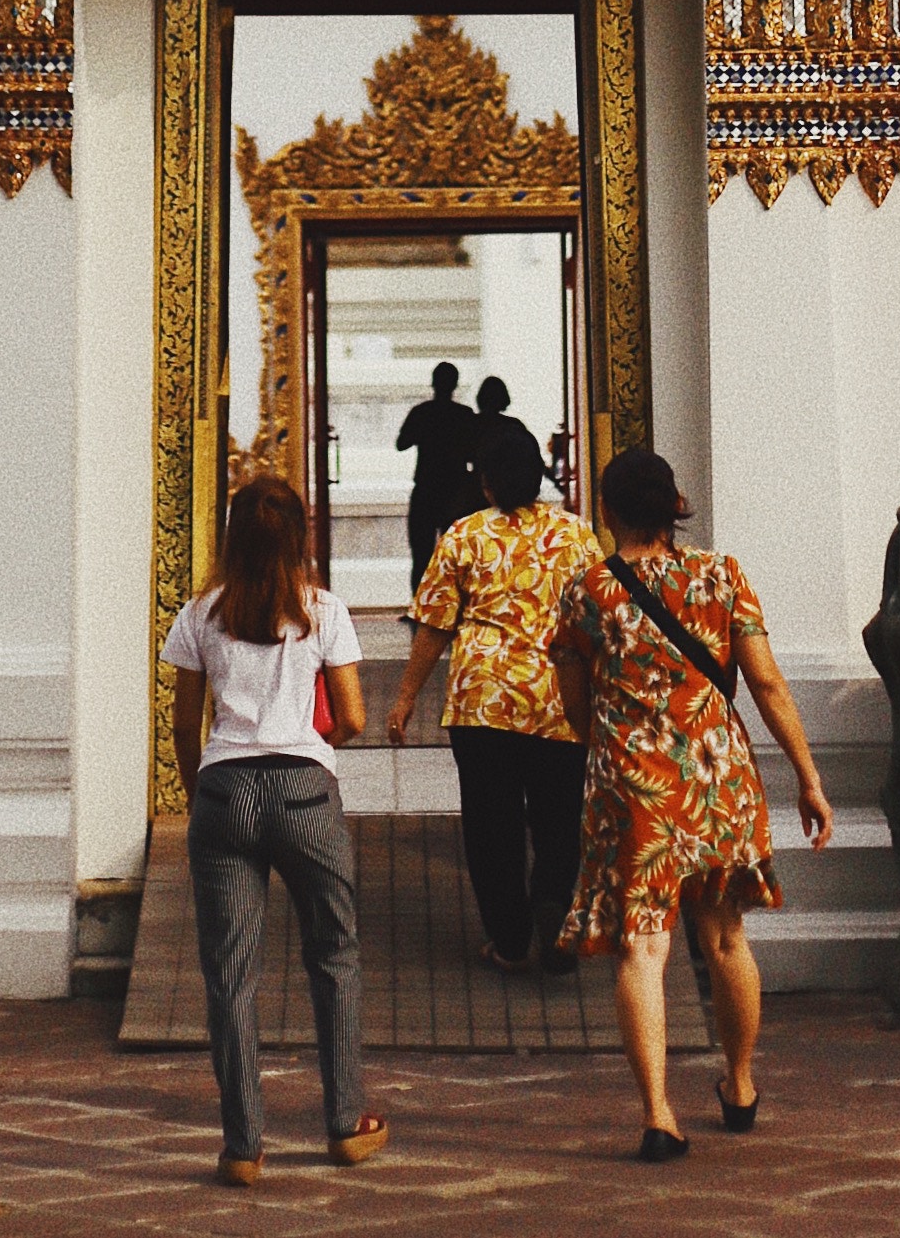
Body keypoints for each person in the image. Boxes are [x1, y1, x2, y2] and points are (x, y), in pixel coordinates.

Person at [551, 445, 834, 1165]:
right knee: (727, 939)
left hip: (632, 783)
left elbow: (576, 708)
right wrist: (807, 775)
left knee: (643, 948)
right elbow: (766, 684)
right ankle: (739, 1082)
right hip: (717, 777)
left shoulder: (586, 591)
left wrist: (620, 747)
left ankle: (657, 1113)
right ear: (674, 506)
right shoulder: (721, 575)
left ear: (606, 509)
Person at [162, 475, 390, 1186]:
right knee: (334, 953)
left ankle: (243, 1146)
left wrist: (204, 794)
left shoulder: (199, 615)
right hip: (303, 794)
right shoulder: (323, 610)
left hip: (225, 790)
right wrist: (308, 746)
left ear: (231, 534)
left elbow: (183, 725)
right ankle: (344, 1122)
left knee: (230, 974)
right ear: (300, 536)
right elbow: (353, 716)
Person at [384, 417, 602, 973]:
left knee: (491, 823)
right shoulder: (576, 535)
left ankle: (509, 939)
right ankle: (553, 901)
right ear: (539, 476)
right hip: (559, 696)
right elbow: (599, 619)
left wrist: (406, 697)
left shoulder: (464, 535)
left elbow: (434, 624)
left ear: (485, 483)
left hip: (482, 699)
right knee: (559, 815)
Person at [395, 360, 480, 591]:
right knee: (456, 554)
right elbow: (473, 453)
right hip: (456, 490)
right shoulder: (464, 415)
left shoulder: (422, 412)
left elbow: (401, 443)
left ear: (433, 383)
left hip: (426, 487)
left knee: (421, 554)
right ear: (455, 385)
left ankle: (420, 602)